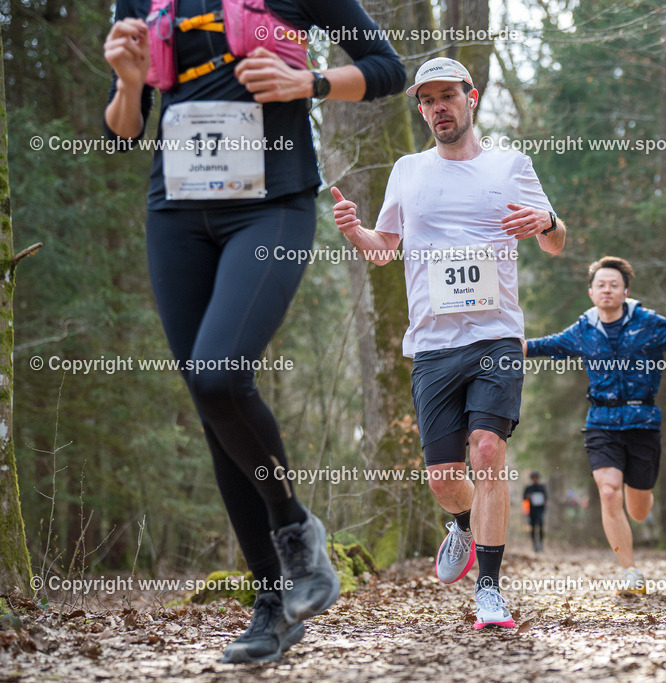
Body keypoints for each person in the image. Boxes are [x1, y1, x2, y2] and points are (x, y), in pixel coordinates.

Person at [102, 0, 405, 663]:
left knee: (219, 373)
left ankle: (294, 526)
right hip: (175, 213)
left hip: (271, 207)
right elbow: (123, 133)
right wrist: (127, 81)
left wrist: (312, 83)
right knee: (214, 409)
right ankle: (272, 604)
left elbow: (388, 69)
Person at [333, 57, 566, 629]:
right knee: (443, 478)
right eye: (427, 99)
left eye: (447, 96)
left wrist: (544, 221)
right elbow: (385, 248)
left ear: (472, 97)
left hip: (497, 334)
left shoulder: (511, 165)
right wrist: (354, 229)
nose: (438, 106)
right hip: (433, 343)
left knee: (488, 449)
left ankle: (489, 589)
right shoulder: (409, 170)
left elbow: (557, 240)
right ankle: (460, 523)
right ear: (420, 108)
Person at [526, 256, 666, 594]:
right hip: (601, 422)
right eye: (601, 285)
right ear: (591, 293)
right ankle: (631, 573)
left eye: (614, 285)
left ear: (625, 291)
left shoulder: (647, 322)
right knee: (608, 493)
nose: (607, 290)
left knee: (638, 509)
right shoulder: (583, 329)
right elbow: (545, 346)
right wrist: (507, 347)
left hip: (643, 423)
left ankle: (642, 497)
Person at [523, 471, 548, 552]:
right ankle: (534, 545)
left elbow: (546, 499)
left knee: (540, 526)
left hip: (540, 510)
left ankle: (541, 544)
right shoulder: (528, 488)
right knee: (533, 528)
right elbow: (524, 500)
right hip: (531, 511)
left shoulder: (542, 487)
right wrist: (528, 498)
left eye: (536, 478)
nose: (535, 479)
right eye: (533, 478)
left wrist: (545, 506)